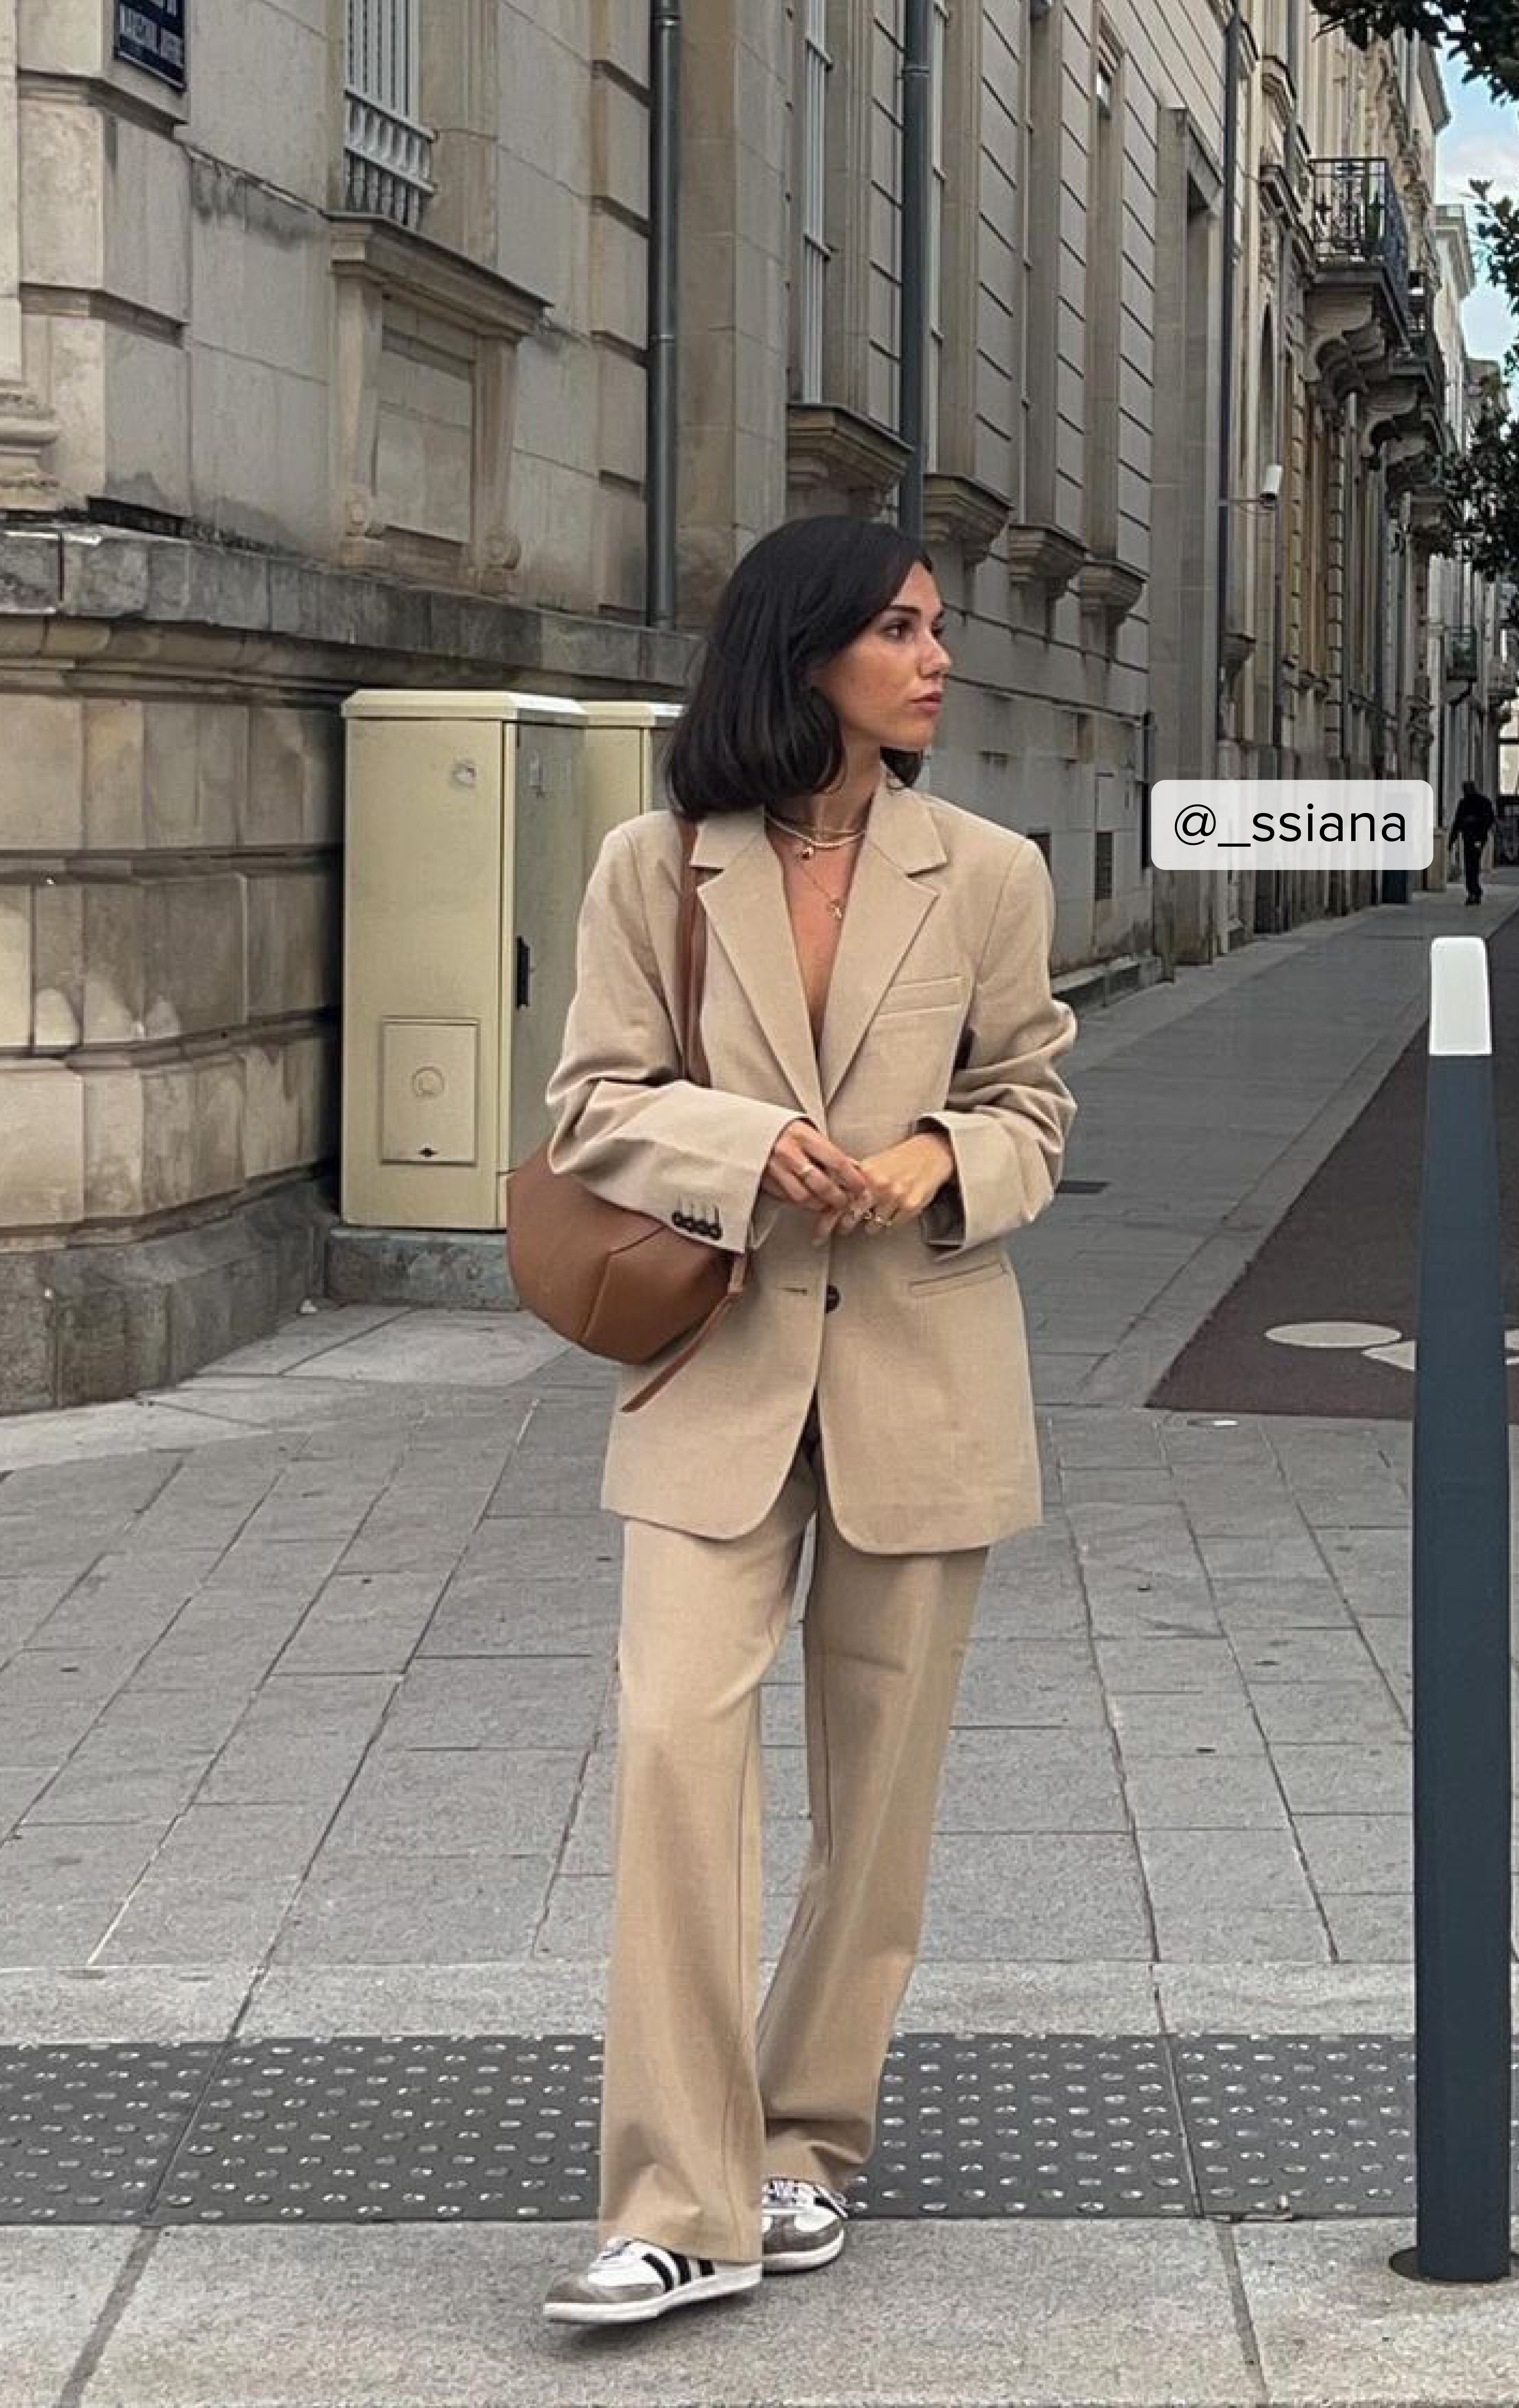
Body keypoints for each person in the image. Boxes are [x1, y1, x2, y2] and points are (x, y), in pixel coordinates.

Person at [539, 513, 1077, 2329]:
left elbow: (1033, 1101)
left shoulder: (987, 870)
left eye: (937, 628)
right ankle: (675, 2199)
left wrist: (938, 1157)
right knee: (676, 1752)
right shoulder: (657, 864)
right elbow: (591, 1100)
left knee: (879, 1796)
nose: (937, 658)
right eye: (901, 629)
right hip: (716, 1372)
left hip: (924, 1371)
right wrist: (742, 1141)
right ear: (806, 649)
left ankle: (804, 2137)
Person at [1447, 777, 1497, 904]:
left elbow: (1489, 819)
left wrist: (1477, 825)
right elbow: (1457, 822)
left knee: (1472, 865)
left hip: (1476, 838)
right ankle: (1474, 891)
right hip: (1472, 838)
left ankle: (1474, 892)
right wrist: (1452, 840)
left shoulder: (1479, 803)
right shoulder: (1469, 803)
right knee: (1471, 865)